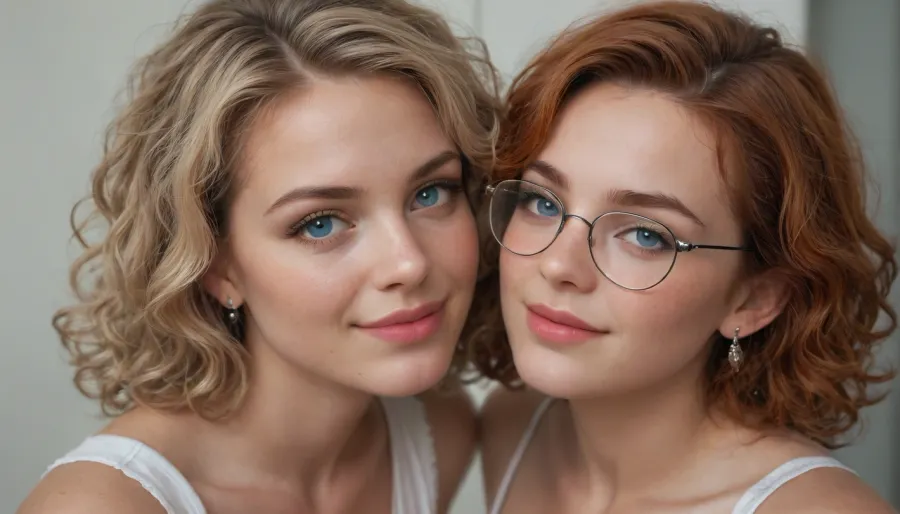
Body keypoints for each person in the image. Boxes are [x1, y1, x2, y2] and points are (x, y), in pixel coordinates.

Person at [18, 1, 501, 513]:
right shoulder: (103, 506)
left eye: (431, 193)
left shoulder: (438, 433)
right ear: (214, 264)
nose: (409, 263)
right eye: (320, 223)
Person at [474, 2, 898, 513]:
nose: (558, 266)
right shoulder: (513, 428)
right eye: (543, 203)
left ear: (755, 298)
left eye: (645, 235)